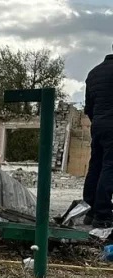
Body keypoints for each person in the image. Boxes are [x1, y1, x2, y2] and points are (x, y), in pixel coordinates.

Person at [82, 44, 113, 227]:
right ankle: (102, 215)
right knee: (110, 167)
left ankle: (90, 210)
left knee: (96, 165)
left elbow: (88, 108)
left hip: (98, 125)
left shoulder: (94, 73)